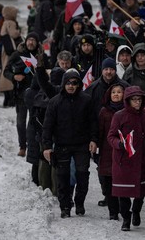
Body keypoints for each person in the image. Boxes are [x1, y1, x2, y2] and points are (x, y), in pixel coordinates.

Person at [42, 68, 99, 219]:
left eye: (74, 83)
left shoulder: (86, 100)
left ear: (79, 84)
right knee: (63, 177)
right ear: (63, 84)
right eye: (68, 83)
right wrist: (47, 147)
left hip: (82, 145)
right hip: (62, 145)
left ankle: (79, 203)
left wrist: (94, 140)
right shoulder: (55, 102)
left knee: (82, 176)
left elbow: (93, 122)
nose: (71, 86)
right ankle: (65, 206)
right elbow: (47, 126)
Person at [107, 86, 145, 231]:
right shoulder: (119, 116)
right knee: (123, 193)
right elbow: (111, 136)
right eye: (134, 100)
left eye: (139, 99)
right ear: (128, 101)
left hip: (142, 160)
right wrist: (119, 144)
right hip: (124, 160)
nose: (137, 102)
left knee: (141, 191)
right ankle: (126, 219)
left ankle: (136, 211)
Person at [5, 32, 44, 157]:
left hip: (36, 94)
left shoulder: (40, 56)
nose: (31, 43)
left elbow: (48, 71)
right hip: (20, 94)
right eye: (29, 40)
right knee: (20, 122)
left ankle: (34, 146)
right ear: (25, 41)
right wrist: (14, 76)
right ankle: (22, 146)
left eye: (33, 40)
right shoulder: (17, 55)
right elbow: (6, 71)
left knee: (33, 122)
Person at [96, 83, 124, 220]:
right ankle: (113, 212)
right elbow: (99, 131)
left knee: (121, 180)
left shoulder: (128, 110)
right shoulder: (104, 111)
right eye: (114, 92)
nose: (116, 94)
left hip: (123, 151)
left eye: (119, 92)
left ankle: (122, 208)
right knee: (108, 182)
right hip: (107, 151)